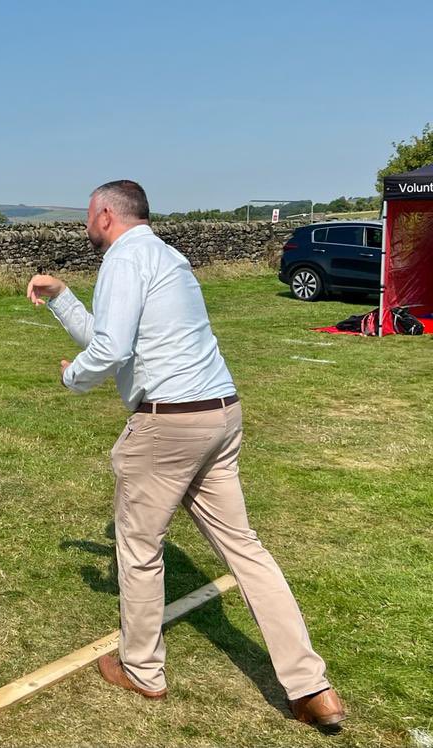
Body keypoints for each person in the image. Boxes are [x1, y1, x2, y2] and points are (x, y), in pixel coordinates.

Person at [26, 180, 346, 728]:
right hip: (220, 414)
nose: (86, 223)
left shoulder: (125, 260)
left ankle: (143, 670)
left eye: (88, 213)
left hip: (169, 425)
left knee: (139, 547)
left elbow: (109, 350)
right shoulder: (167, 256)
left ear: (105, 214)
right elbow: (114, 335)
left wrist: (72, 380)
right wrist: (63, 298)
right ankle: (311, 687)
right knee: (246, 550)